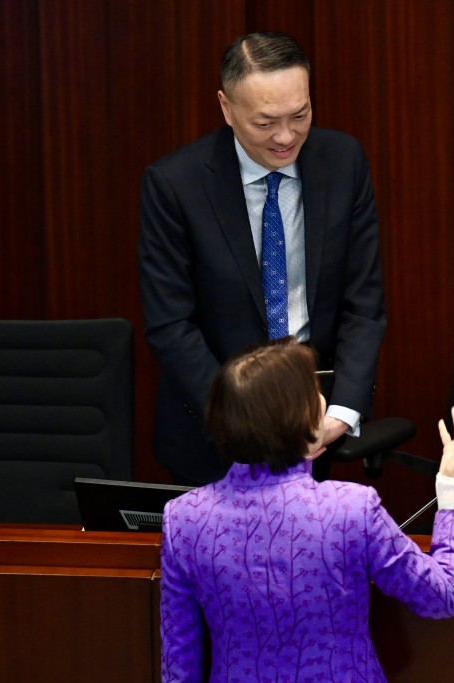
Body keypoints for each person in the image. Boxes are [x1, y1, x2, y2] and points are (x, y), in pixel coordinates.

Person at [159, 340, 454, 681]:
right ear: (299, 418)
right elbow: (441, 596)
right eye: (315, 392)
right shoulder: (351, 508)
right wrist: (451, 491)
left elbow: (178, 666)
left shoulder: (183, 520)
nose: (323, 401)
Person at [138, 31, 385, 485]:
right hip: (212, 437)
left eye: (300, 114)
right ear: (226, 108)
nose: (286, 136)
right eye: (266, 122)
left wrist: (341, 412)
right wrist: (240, 416)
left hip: (315, 428)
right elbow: (171, 325)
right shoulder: (176, 185)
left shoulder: (343, 161)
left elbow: (363, 302)